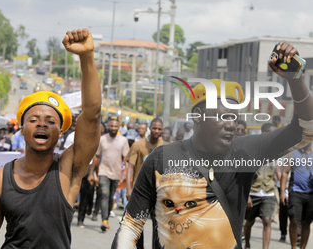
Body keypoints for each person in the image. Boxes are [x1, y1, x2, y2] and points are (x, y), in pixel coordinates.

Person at [111, 41, 313, 249]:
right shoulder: (161, 159)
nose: (231, 125)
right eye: (223, 117)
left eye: (234, 118)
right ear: (197, 117)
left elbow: (306, 130)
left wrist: (295, 79)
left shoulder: (246, 153)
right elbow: (131, 226)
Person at [0, 28, 101, 248]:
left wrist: (86, 57)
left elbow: (92, 114)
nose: (42, 123)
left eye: (51, 121)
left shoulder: (68, 169)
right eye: (34, 119)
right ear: (21, 129)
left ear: (60, 133)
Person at [125, 118, 164, 249]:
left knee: (158, 226)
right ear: (149, 128)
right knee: (138, 223)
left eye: (159, 129)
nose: (156, 131)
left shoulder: (165, 147)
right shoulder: (138, 145)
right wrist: (129, 189)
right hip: (141, 191)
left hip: (159, 192)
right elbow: (130, 167)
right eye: (154, 128)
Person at [87, 119, 130, 232]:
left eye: (116, 126)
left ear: (119, 127)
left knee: (111, 196)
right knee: (104, 194)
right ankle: (104, 220)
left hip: (116, 173)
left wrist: (126, 173)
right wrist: (91, 173)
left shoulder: (123, 140)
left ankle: (106, 218)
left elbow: (126, 158)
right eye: (112, 126)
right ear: (108, 126)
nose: (113, 128)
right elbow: (96, 157)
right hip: (103, 171)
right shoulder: (102, 139)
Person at [244, 123, 277, 249]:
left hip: (268, 192)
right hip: (253, 192)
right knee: (249, 222)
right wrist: (247, 195)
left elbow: (275, 172)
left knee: (267, 220)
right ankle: (247, 244)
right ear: (263, 133)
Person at [280, 143, 313, 249]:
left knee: (306, 223)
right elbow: (285, 172)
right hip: (295, 191)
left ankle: (302, 247)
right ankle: (293, 247)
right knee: (294, 221)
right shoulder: (293, 153)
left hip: (311, 193)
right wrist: (282, 192)